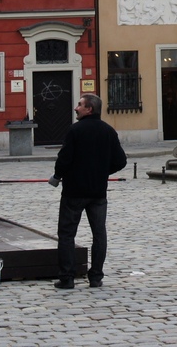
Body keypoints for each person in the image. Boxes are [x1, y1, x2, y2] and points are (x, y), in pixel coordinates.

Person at [52, 93, 127, 290]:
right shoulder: (108, 131)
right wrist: (102, 171)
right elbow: (121, 161)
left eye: (80, 105)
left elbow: (64, 159)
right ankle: (96, 277)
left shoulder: (75, 131)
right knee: (99, 234)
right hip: (98, 193)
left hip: (74, 192)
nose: (76, 108)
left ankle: (67, 278)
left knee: (67, 234)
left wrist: (58, 175)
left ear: (89, 109)